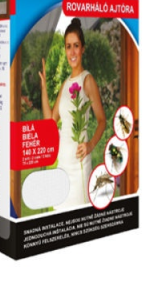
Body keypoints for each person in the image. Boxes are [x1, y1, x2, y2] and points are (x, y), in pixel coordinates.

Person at [39, 18, 106, 209]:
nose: (72, 52)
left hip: (79, 167)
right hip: (63, 165)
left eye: (76, 46)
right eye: (68, 46)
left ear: (82, 48)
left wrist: (90, 145)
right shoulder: (65, 84)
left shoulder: (87, 80)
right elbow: (51, 121)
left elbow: (102, 120)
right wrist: (44, 88)